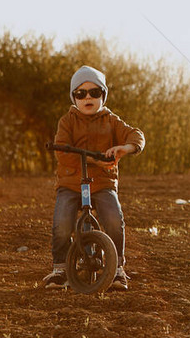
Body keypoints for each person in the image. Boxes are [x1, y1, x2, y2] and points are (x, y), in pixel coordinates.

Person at [43, 65, 145, 290]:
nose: (87, 97)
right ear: (74, 98)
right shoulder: (67, 121)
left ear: (103, 96)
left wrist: (125, 148)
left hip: (102, 182)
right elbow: (62, 151)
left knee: (114, 219)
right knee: (62, 222)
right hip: (71, 183)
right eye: (81, 94)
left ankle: (117, 269)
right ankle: (60, 268)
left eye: (94, 93)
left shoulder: (111, 120)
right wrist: (94, 161)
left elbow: (136, 135)